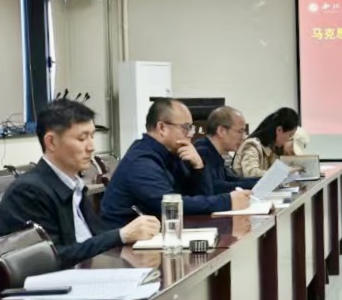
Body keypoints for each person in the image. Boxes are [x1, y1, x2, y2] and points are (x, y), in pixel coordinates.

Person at [0, 98, 160, 264]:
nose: (91, 147)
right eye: (82, 138)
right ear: (51, 142)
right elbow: (52, 259)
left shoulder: (74, 186)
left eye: (92, 136)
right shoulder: (28, 191)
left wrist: (129, 234)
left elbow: (93, 239)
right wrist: (121, 235)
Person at [100, 98, 253, 228]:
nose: (191, 134)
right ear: (162, 128)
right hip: (122, 246)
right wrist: (227, 201)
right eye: (186, 128)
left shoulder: (175, 154)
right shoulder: (141, 161)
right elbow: (170, 205)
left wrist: (198, 167)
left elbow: (201, 196)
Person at [197, 105, 258, 190]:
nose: (243, 137)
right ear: (221, 131)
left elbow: (230, 179)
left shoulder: (213, 152)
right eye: (240, 132)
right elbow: (217, 187)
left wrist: (263, 181)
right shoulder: (202, 152)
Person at [233, 107, 300, 178]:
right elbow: (251, 173)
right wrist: (282, 173)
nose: (289, 140)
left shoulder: (274, 149)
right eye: (290, 135)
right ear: (279, 130)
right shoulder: (252, 145)